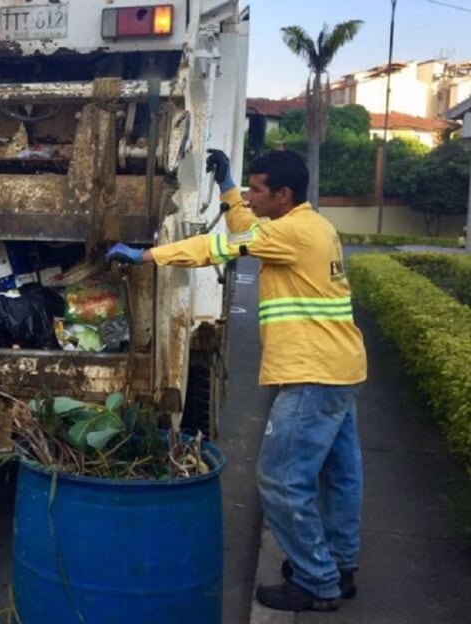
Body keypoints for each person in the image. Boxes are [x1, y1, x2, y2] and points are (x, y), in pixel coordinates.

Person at [108, 149, 367, 613]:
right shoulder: (311, 225)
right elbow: (247, 229)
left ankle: (317, 580)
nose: (250, 194)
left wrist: (147, 255)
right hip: (338, 369)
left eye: (257, 188)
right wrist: (228, 190)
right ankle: (339, 565)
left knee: (281, 479)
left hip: (311, 375)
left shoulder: (290, 233)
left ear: (283, 195)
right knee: (340, 475)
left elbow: (215, 248)